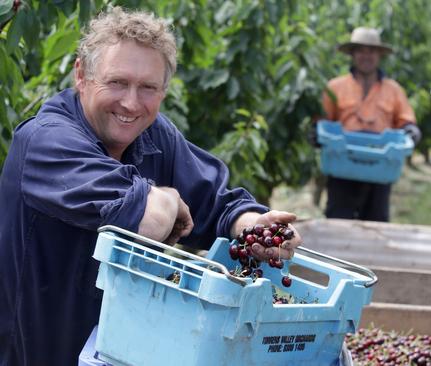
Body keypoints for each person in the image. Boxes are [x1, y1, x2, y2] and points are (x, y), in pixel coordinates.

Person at [0, 7, 303, 366]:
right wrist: (168, 199)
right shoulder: (45, 143)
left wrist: (252, 225)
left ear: (164, 91)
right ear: (81, 75)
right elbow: (149, 220)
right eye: (117, 83)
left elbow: (216, 202)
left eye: (148, 88)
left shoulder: (155, 135)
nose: (131, 103)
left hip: (118, 349)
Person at [319, 26, 421, 222]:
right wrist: (316, 134)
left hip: (380, 167)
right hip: (343, 164)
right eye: (361, 50)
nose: (366, 56)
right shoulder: (335, 87)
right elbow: (323, 122)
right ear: (353, 54)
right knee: (338, 220)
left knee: (376, 222)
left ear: (379, 55)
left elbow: (406, 121)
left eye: (372, 51)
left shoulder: (393, 90)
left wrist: (411, 131)